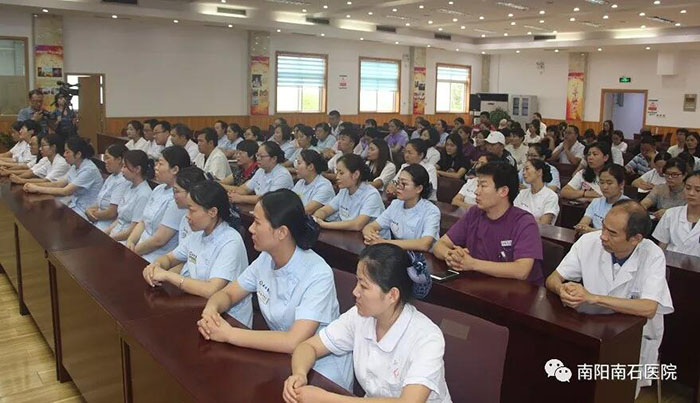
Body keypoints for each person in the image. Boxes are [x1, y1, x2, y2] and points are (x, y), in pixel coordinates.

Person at [197, 189, 354, 390]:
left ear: (281, 232)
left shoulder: (318, 273)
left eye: (257, 223)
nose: (251, 229)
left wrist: (229, 334)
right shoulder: (266, 258)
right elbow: (228, 293)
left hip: (319, 374)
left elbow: (293, 341)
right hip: (280, 360)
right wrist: (211, 310)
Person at [283, 243, 450, 403]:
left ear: (392, 295)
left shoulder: (427, 337)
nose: (355, 291)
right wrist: (299, 374)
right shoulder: (359, 316)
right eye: (357, 281)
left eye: (363, 286)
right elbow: (308, 347)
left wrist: (326, 399)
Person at [545, 200, 673, 397]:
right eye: (604, 227)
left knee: (617, 394)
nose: (603, 236)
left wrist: (593, 298)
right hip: (593, 330)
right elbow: (552, 279)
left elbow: (648, 308)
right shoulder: (589, 242)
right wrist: (561, 289)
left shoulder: (652, 255)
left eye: (612, 233)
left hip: (633, 339)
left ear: (636, 239)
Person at [143, 180, 252, 325]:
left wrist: (167, 275)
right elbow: (169, 258)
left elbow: (211, 290)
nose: (187, 216)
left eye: (192, 210)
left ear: (212, 212)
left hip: (228, 319)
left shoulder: (231, 241)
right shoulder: (197, 234)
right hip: (197, 305)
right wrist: (155, 266)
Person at [434, 161, 544, 285]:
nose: (476, 191)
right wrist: (451, 256)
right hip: (480, 285)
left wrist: (473, 264)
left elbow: (521, 270)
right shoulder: (474, 213)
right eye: (477, 185)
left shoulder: (524, 222)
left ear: (503, 191)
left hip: (518, 291)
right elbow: (440, 244)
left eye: (483, 186)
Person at [125, 146, 191, 263]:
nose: (156, 167)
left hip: (156, 257)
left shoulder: (178, 199)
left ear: (175, 169)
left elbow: (159, 240)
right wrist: (130, 241)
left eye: (160, 164)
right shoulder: (158, 189)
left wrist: (133, 251)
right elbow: (143, 221)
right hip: (139, 248)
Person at [362, 164, 440, 252]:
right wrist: (371, 235)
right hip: (399, 253)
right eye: (398, 182)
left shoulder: (431, 211)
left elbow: (424, 244)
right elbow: (371, 226)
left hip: (422, 257)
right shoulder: (396, 204)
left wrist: (383, 242)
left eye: (404, 184)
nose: (398, 187)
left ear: (419, 188)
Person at [23, 136, 104, 218]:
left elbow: (65, 191)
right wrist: (33, 185)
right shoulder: (75, 166)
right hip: (75, 205)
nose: (64, 154)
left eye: (67, 152)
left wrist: (37, 188)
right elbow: (59, 184)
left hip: (87, 211)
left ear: (78, 154)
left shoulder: (88, 170)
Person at [314, 154, 385, 231]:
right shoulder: (344, 190)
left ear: (356, 174)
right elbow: (325, 210)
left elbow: (357, 225)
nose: (337, 177)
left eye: (341, 173)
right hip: (348, 235)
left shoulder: (371, 195)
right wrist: (317, 218)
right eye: (337, 172)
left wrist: (324, 224)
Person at [104, 150, 154, 241]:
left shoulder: (144, 194)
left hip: (125, 240)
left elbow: (132, 230)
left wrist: (108, 239)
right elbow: (119, 219)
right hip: (116, 233)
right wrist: (105, 234)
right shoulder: (129, 186)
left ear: (137, 169)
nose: (122, 170)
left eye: (125, 167)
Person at [653, 170, 700, 257]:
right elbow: (662, 247)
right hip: (670, 263)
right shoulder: (670, 214)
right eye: (688, 188)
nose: (691, 193)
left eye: (698, 190)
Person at [85, 143, 130, 230]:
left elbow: (111, 213)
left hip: (108, 225)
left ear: (119, 159)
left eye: (108, 158)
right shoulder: (112, 176)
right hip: (98, 219)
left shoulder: (123, 180)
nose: (105, 161)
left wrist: (92, 214)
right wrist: (88, 210)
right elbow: (100, 202)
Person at [574, 164, 629, 233]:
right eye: (602, 182)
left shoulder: (628, 206)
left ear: (621, 184)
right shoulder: (596, 202)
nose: (605, 187)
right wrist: (581, 227)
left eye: (609, 183)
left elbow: (616, 233)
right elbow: (583, 223)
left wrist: (590, 230)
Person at [514, 159, 559, 225]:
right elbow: (513, 216)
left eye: (527, 169)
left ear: (539, 172)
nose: (523, 173)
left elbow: (544, 223)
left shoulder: (551, 196)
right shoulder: (522, 193)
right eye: (523, 170)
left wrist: (521, 218)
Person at [292, 149, 335, 215]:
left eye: (299, 163)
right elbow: (289, 201)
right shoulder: (300, 182)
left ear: (310, 167)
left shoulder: (324, 186)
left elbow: (307, 210)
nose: (296, 167)